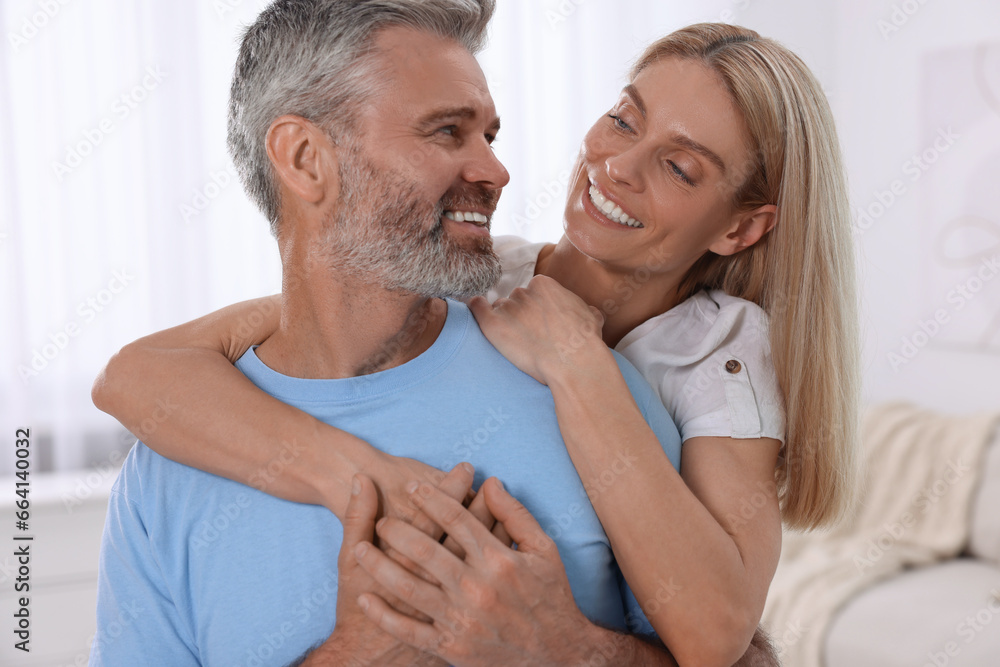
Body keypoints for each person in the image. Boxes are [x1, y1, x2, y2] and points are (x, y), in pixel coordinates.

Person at [95, 8, 859, 667]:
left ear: (740, 226)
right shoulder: (497, 276)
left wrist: (561, 647)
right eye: (625, 120)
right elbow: (139, 374)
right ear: (303, 159)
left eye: (680, 167)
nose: (616, 164)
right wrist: (368, 481)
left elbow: (721, 639)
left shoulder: (708, 364)